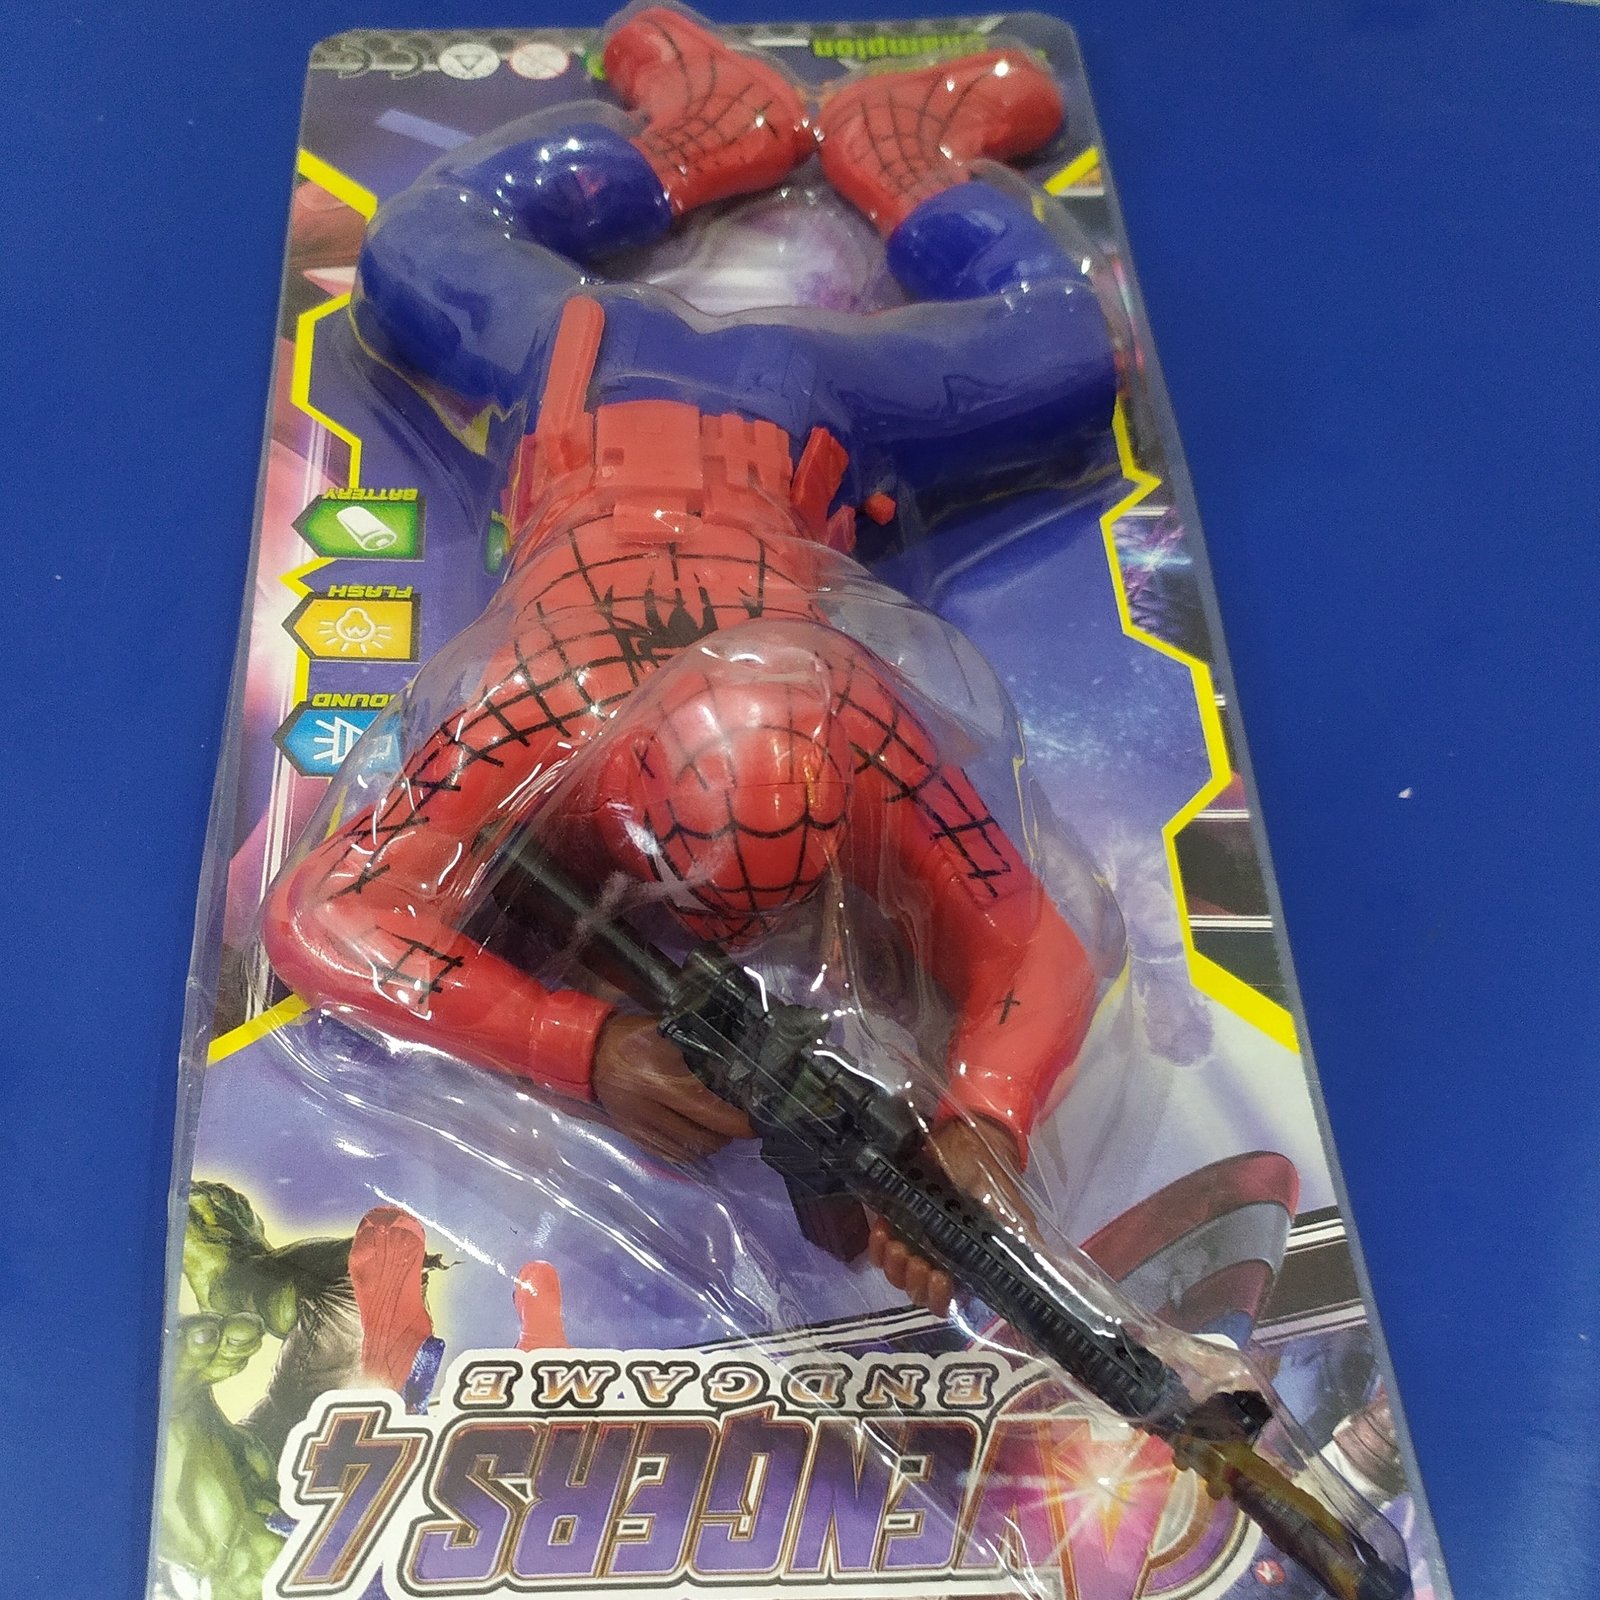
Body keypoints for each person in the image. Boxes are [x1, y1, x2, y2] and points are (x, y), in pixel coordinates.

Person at [264, 6, 1121, 1312]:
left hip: (796, 408)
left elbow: (1036, 947)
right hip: (587, 375)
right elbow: (320, 917)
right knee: (413, 249)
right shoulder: (543, 699)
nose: (742, 925)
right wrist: (583, 1044)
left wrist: (985, 1122)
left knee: (1070, 356)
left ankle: (894, 142)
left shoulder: (843, 708)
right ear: (623, 776)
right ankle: (710, 134)